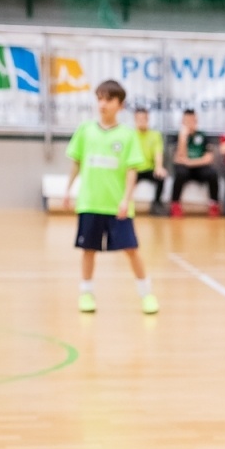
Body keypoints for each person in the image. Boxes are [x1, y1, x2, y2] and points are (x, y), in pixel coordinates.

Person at [64, 80, 157, 315]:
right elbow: (76, 162)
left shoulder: (127, 135)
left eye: (108, 99)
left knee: (131, 249)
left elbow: (131, 170)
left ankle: (146, 294)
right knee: (88, 250)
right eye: (100, 99)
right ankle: (86, 293)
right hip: (90, 202)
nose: (103, 104)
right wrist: (68, 190)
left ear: (120, 105)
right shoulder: (86, 130)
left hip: (117, 205)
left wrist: (126, 199)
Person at [170, 109, 220, 218]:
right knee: (180, 173)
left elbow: (209, 158)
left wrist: (190, 162)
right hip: (184, 169)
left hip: (198, 166)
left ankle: (214, 204)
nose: (189, 123)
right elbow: (178, 158)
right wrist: (183, 138)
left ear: (196, 121)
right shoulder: (178, 136)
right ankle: (175, 204)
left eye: (192, 120)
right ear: (182, 122)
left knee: (212, 173)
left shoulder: (203, 136)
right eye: (186, 121)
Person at [131, 106, 167, 215]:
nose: (141, 122)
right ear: (135, 119)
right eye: (139, 119)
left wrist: (159, 167)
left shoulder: (155, 135)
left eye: (144, 119)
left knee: (161, 177)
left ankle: (156, 204)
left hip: (149, 168)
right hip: (134, 169)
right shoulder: (130, 135)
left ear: (148, 119)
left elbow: (158, 153)